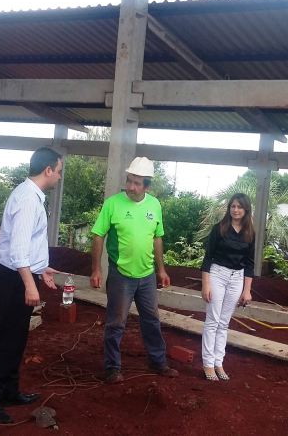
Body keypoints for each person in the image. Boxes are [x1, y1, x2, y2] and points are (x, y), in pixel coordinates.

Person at [0, 147, 63, 424]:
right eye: (59, 171)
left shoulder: (28, 194)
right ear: (48, 170)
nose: (59, 177)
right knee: (6, 340)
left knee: (16, 339)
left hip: (18, 276)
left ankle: (9, 390)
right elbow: (18, 250)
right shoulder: (29, 200)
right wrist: (30, 284)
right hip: (14, 279)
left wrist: (41, 268)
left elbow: (27, 245)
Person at [89, 157, 179, 384]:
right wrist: (96, 270)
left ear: (147, 186)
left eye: (137, 183)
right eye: (130, 181)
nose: (131, 187)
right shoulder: (113, 203)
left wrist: (161, 270)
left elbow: (158, 238)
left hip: (147, 275)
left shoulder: (154, 205)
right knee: (116, 322)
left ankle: (158, 361)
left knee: (151, 320)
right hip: (121, 275)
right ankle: (112, 367)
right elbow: (99, 235)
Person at [200, 193, 255, 381]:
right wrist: (205, 284)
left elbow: (249, 263)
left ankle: (218, 362)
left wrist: (247, 290)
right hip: (217, 274)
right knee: (213, 320)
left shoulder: (250, 233)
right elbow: (207, 258)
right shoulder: (220, 229)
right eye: (233, 206)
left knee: (224, 323)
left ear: (246, 210)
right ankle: (208, 364)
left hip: (237, 278)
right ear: (229, 208)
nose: (236, 210)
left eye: (240, 207)